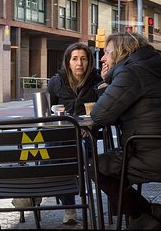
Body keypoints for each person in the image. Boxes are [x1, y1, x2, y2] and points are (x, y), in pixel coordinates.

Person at [90, 31, 161, 230]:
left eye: (107, 52)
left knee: (94, 166)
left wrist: (105, 82)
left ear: (121, 51)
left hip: (157, 156)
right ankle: (144, 214)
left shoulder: (130, 73)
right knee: (107, 162)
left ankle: (145, 214)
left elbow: (99, 115)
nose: (104, 58)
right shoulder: (147, 70)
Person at [47, 42, 102, 225]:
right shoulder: (56, 82)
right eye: (75, 59)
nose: (79, 63)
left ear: (89, 61)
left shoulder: (97, 80)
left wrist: (91, 128)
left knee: (62, 154)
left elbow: (106, 112)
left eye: (83, 59)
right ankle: (68, 206)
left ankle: (36, 197)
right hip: (60, 135)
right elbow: (48, 113)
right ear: (68, 62)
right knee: (54, 149)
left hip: (85, 138)